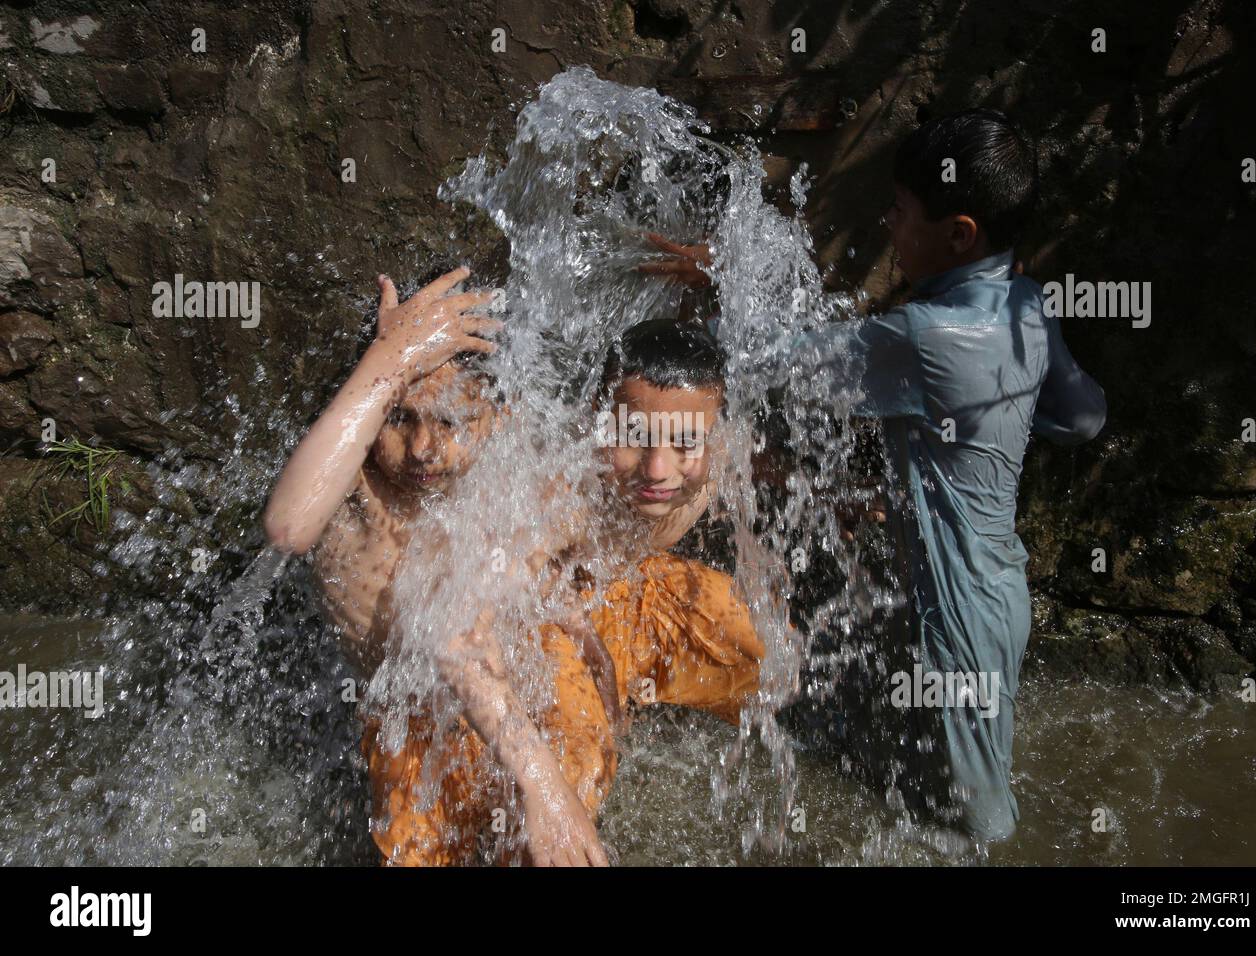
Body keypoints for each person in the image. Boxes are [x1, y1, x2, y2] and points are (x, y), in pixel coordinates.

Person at [647, 109, 1107, 843]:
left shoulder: (929, 337)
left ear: (958, 233)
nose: (888, 226)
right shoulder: (1024, 303)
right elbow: (1083, 418)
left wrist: (724, 278)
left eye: (899, 211)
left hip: (955, 625)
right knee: (905, 797)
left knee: (973, 832)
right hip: (986, 594)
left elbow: (777, 364)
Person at [265, 279, 763, 864]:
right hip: (428, 708)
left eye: (450, 422)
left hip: (537, 647)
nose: (424, 449)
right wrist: (390, 360)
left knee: (756, 643)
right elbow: (290, 527)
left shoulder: (550, 446)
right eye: (399, 418)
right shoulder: (357, 487)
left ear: (497, 414)